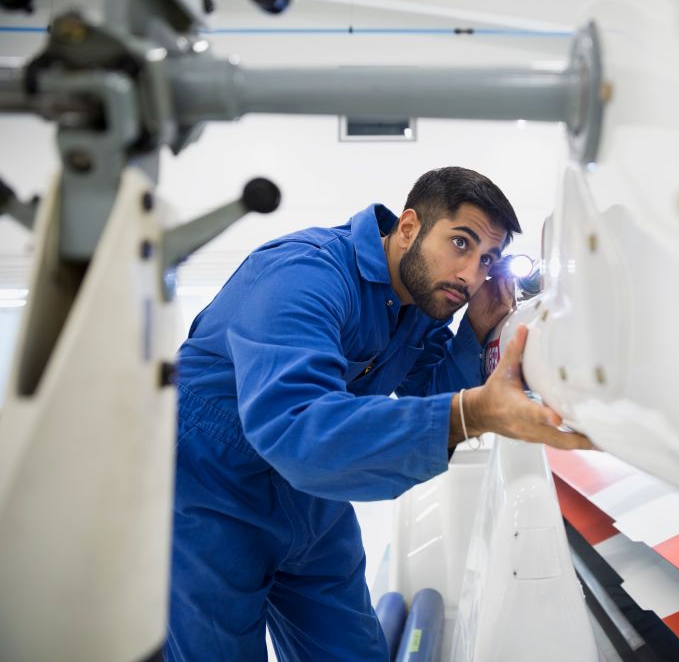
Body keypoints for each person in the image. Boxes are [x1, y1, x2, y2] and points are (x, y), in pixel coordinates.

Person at [166, 167, 591, 661]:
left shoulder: (418, 304)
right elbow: (300, 431)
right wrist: (472, 413)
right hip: (210, 492)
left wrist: (477, 330)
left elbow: (428, 394)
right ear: (409, 227)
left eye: (488, 260)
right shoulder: (304, 275)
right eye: (461, 243)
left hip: (310, 502)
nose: (471, 274)